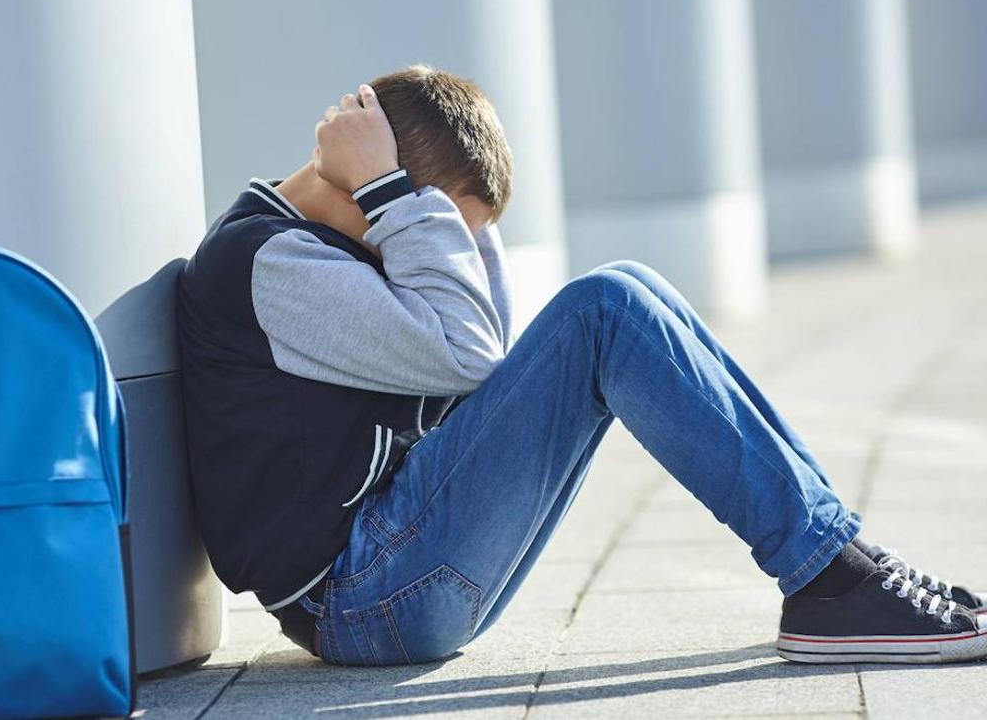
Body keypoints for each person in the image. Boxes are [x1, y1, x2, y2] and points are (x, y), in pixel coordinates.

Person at [176, 64, 986, 667]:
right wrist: (396, 191)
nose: (435, 246)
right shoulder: (273, 264)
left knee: (630, 289)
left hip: (397, 573)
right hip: (362, 599)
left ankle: (841, 563)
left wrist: (414, 202)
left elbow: (482, 345)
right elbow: (470, 351)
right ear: (374, 194)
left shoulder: (333, 242)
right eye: (428, 225)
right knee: (605, 308)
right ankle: (831, 580)